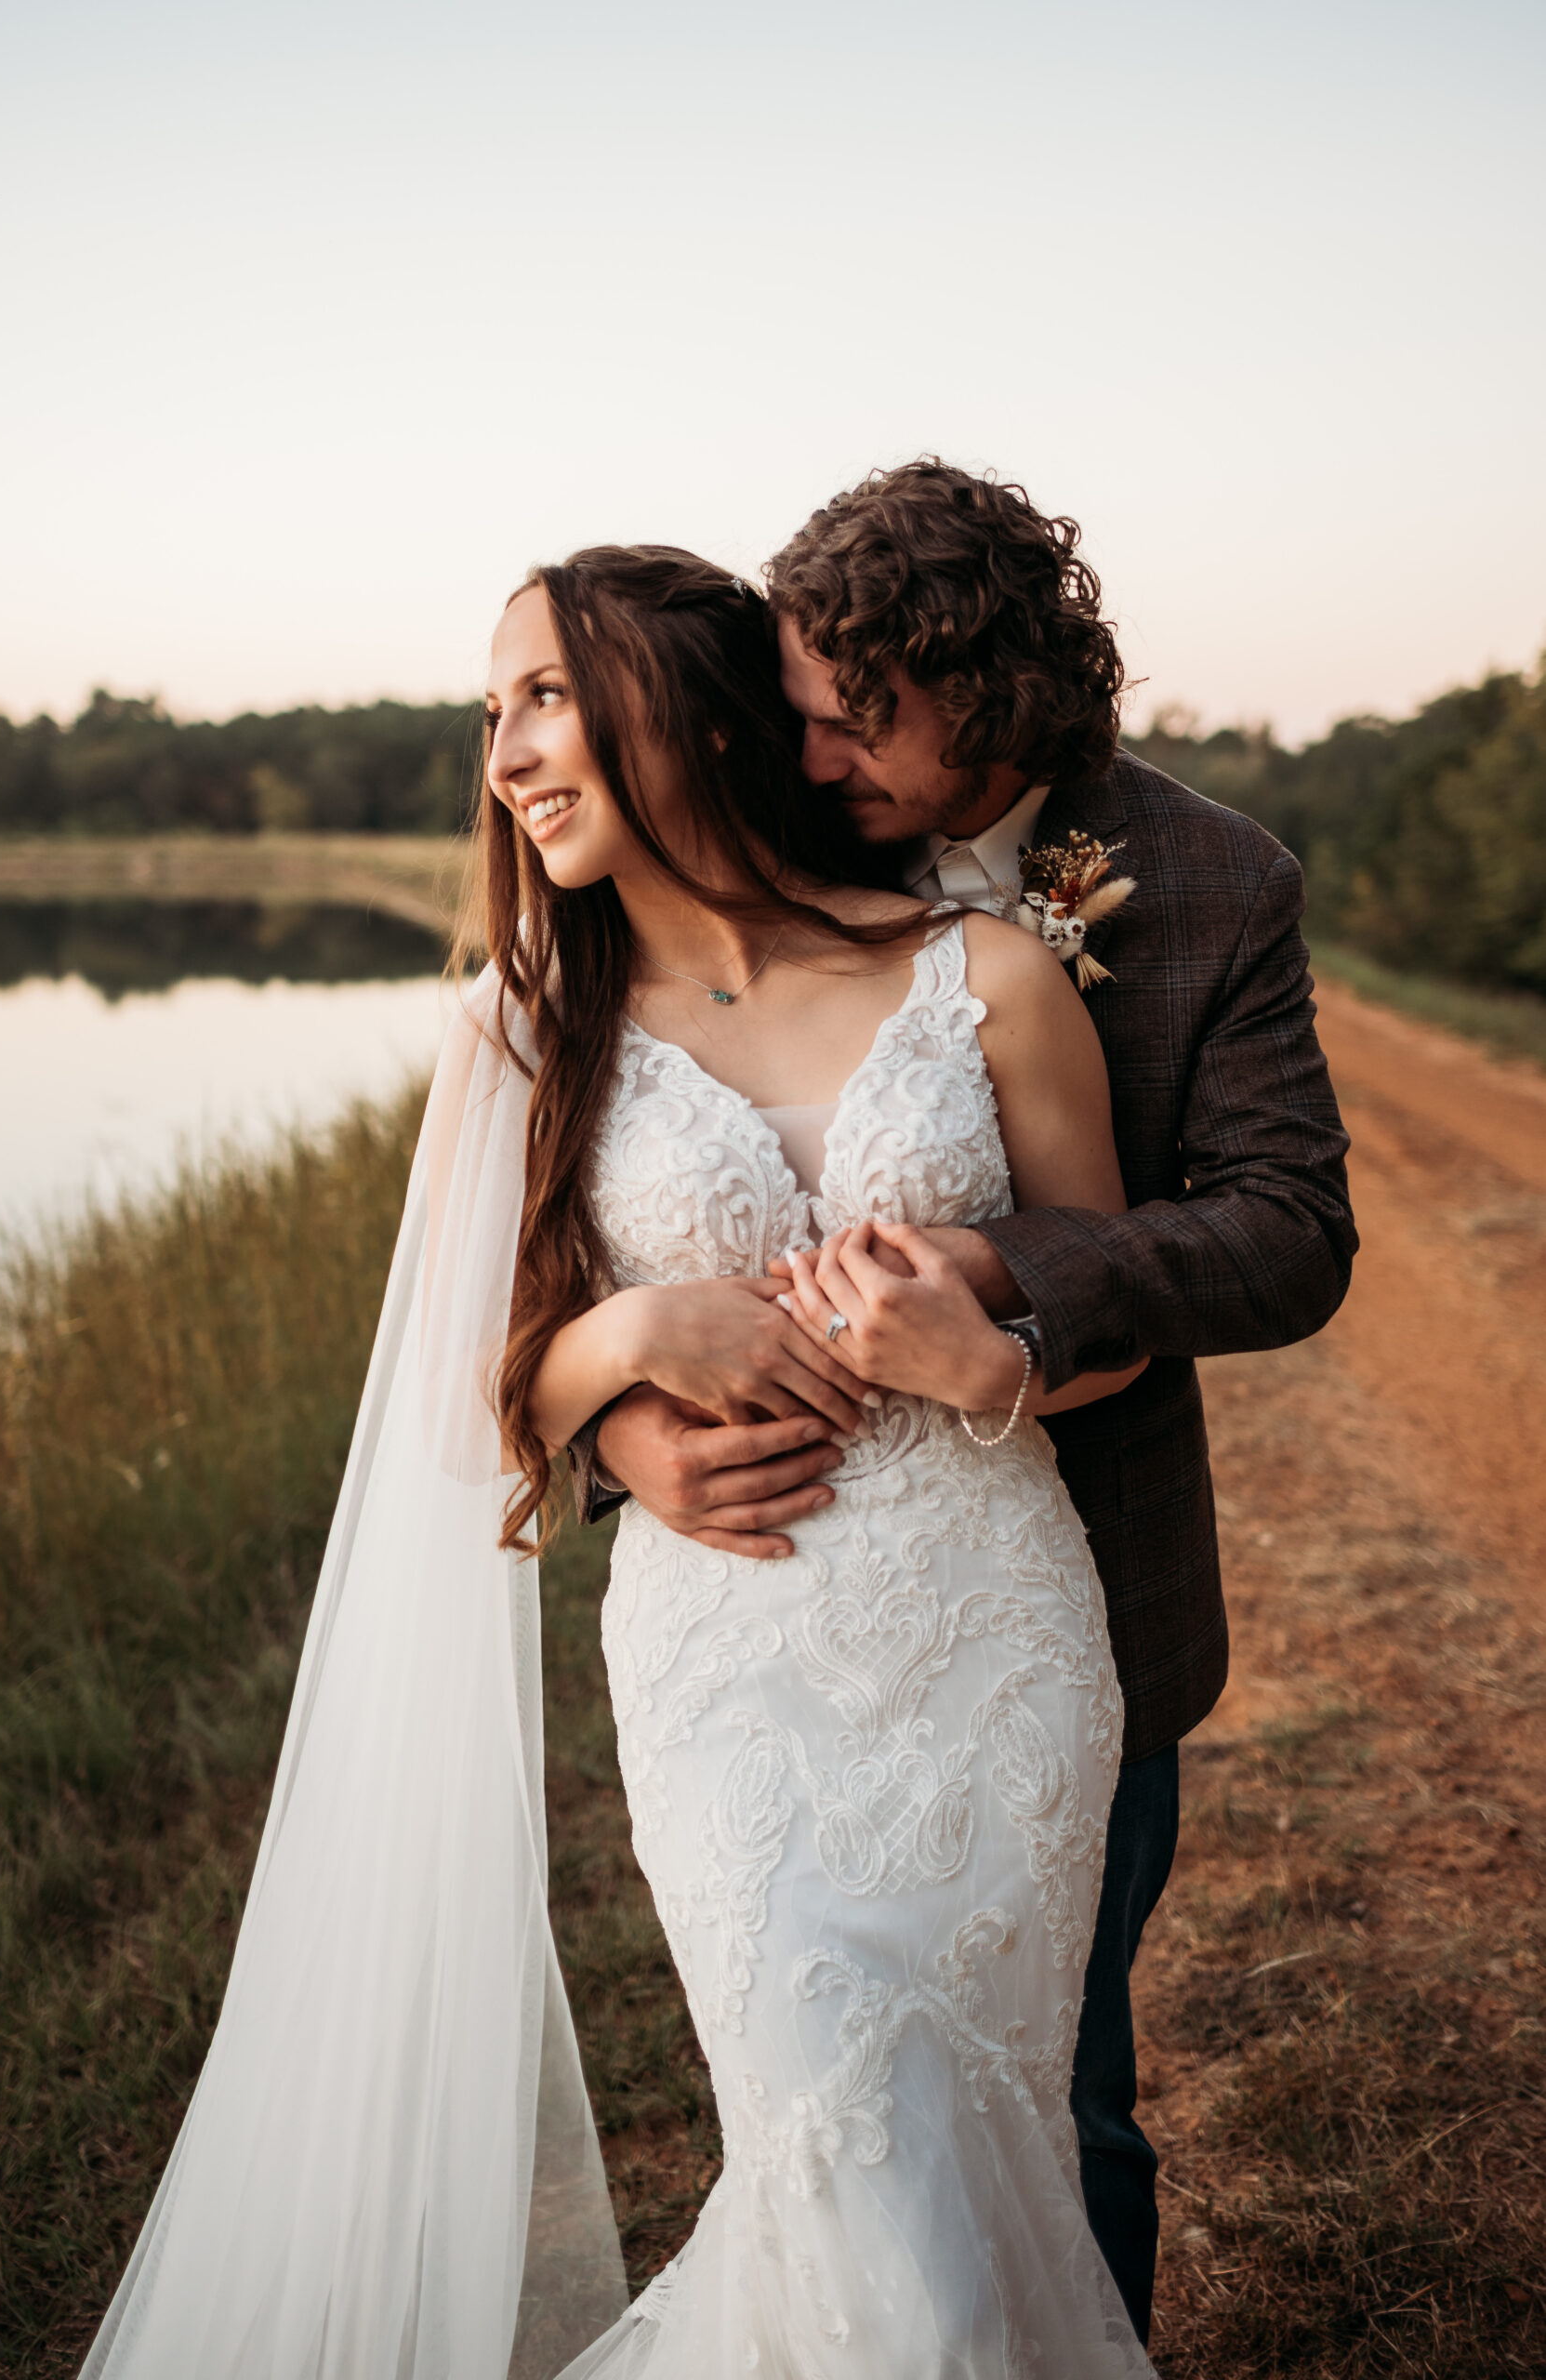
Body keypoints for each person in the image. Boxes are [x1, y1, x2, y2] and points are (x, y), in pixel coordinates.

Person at [81, 546, 1156, 2378]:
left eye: (543, 693)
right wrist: (636, 1348)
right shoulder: (524, 1021)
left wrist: (983, 1353)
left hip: (994, 1652)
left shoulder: (987, 972)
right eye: (491, 709)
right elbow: (458, 1395)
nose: (502, 747)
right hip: (732, 1665)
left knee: (978, 2158)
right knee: (850, 2145)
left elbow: (1111, 1309)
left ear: (691, 703)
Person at [573, 464, 1357, 2345]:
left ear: (996, 700)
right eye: (797, 702)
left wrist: (1000, 1294)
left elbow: (1286, 1232)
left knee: (1056, 2094)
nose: (811, 750)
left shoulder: (1216, 879)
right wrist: (618, 1423)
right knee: (826, 2104)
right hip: (758, 1611)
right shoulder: (746, 833)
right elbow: (622, 1193)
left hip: (1052, 1601)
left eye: (865, 716)